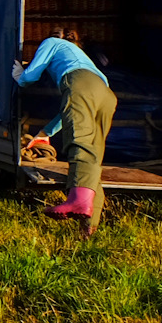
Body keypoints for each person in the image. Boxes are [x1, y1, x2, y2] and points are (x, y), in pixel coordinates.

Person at [16, 28, 117, 234]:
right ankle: (89, 227)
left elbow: (31, 75)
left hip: (79, 84)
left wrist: (19, 75)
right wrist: (45, 133)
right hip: (106, 94)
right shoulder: (81, 56)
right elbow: (69, 111)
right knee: (92, 158)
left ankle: (78, 202)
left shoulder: (51, 43)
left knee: (79, 143)